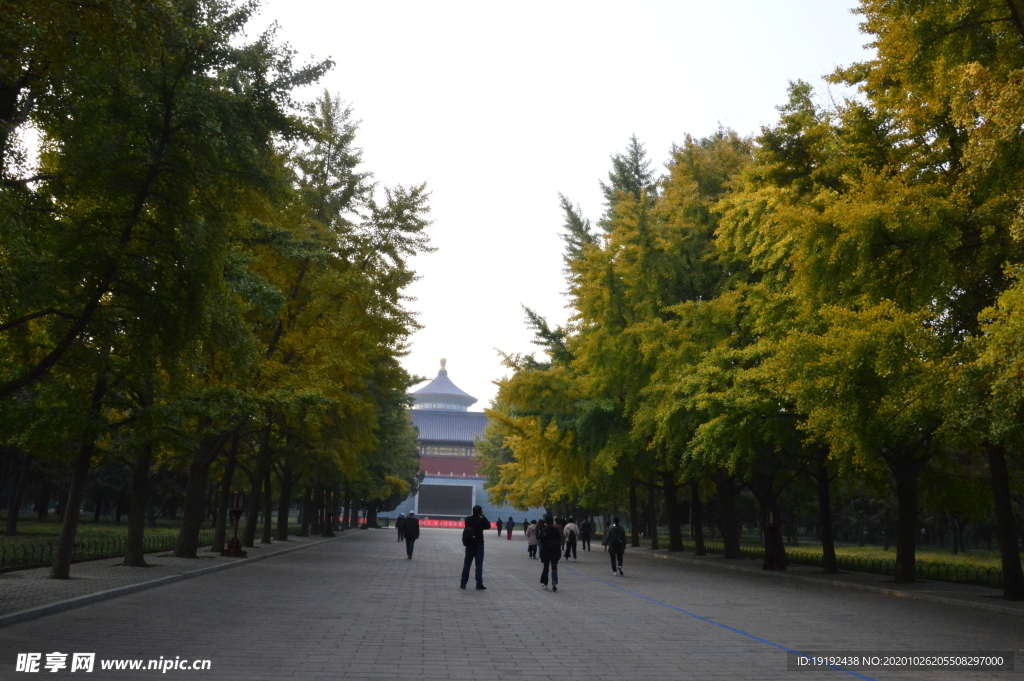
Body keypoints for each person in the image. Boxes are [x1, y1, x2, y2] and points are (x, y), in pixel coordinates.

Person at [461, 505, 490, 590]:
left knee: (467, 564)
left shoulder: (468, 519)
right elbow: (488, 525)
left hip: (469, 544)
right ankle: (479, 584)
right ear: (480, 512)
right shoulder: (481, 520)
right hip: (479, 544)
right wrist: (483, 516)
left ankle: (463, 583)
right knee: (479, 565)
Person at [537, 515, 563, 591]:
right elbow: (559, 539)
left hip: (546, 551)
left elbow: (541, 539)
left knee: (546, 568)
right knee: (554, 567)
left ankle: (545, 583)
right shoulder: (556, 530)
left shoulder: (544, 530)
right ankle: (554, 581)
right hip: (555, 550)